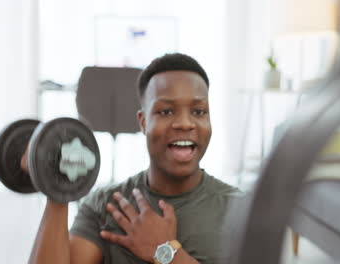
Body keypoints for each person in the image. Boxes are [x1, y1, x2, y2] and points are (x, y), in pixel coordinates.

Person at [28, 53, 241, 264]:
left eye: (199, 111)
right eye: (166, 112)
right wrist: (57, 189)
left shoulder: (240, 210)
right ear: (143, 121)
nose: (185, 123)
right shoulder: (106, 205)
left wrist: (165, 252)